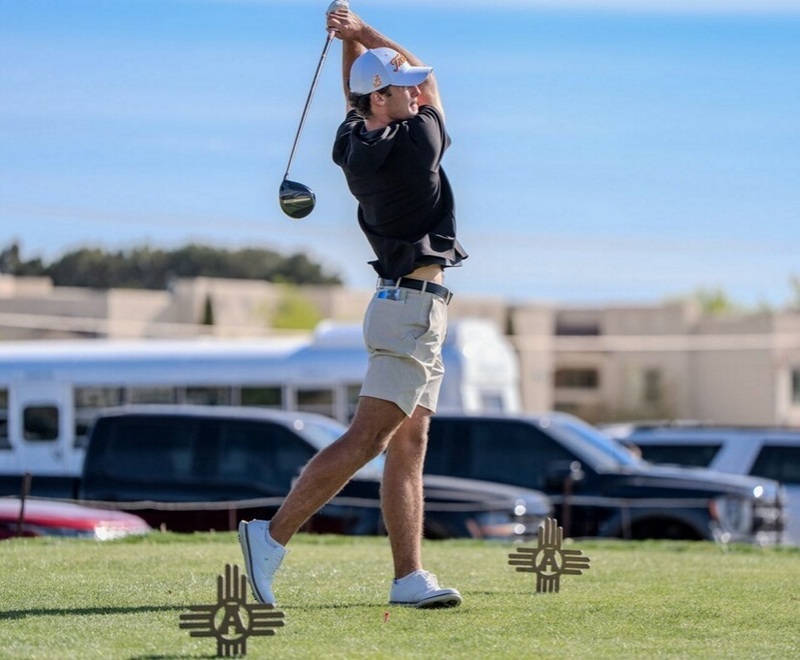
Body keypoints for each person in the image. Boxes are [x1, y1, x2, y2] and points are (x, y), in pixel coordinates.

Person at [239, 6, 467, 609]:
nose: (416, 93)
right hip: (411, 311)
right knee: (369, 437)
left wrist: (349, 43)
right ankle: (271, 536)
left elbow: (354, 92)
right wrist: (363, 32)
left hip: (404, 308)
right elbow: (428, 87)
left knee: (407, 443)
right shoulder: (418, 139)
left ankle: (408, 577)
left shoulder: (352, 141)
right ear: (383, 100)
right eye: (403, 88)